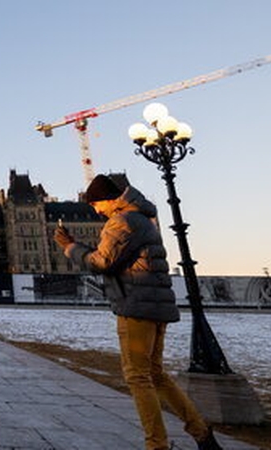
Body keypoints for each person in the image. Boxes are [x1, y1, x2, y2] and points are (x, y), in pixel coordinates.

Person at [54, 174, 222, 450]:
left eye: (96, 204)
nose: (96, 211)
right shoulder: (143, 218)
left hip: (136, 305)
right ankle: (201, 433)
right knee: (156, 374)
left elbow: (103, 262)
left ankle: (157, 444)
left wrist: (70, 247)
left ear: (108, 200)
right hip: (154, 305)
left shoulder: (121, 221)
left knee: (138, 376)